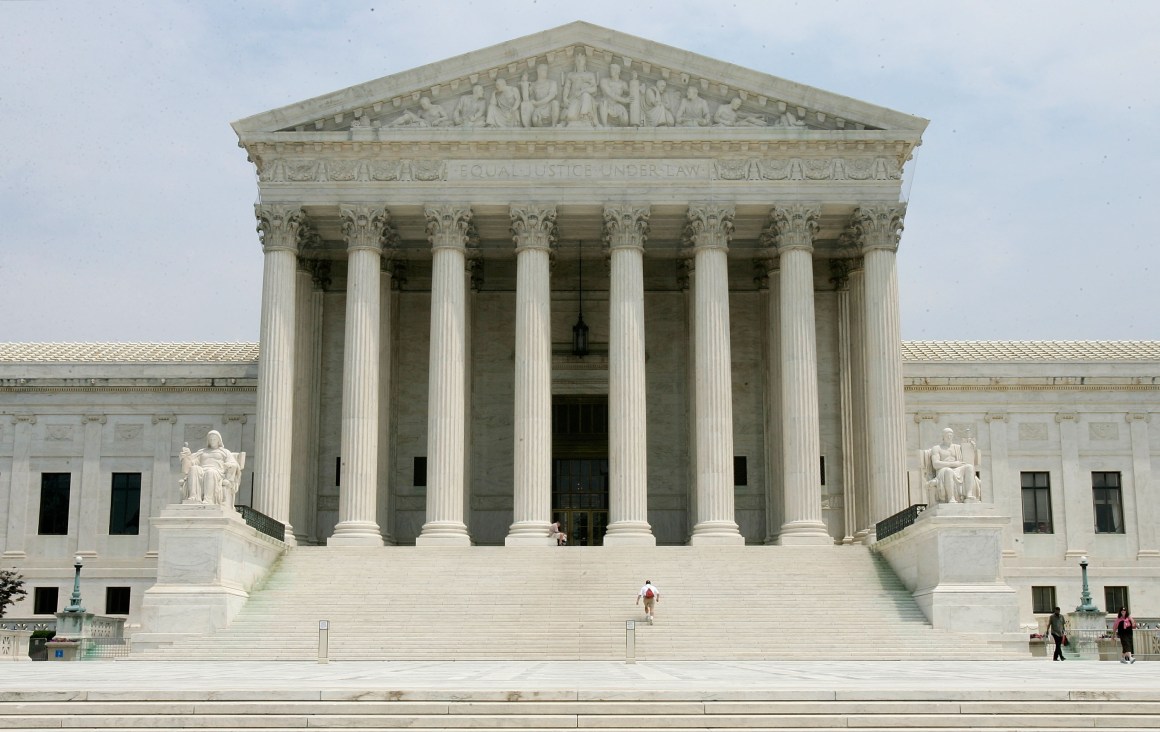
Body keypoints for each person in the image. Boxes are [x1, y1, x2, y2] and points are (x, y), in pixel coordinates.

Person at [179, 430, 240, 507]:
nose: (212, 441)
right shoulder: (202, 451)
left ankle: (208, 499)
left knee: (210, 472)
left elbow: (234, 464)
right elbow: (191, 463)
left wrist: (228, 465)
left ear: (219, 440)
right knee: (194, 469)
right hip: (202, 469)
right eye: (210, 439)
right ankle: (193, 497)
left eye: (214, 439)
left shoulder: (225, 452)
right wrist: (186, 456)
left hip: (217, 471)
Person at [930, 428, 981, 503]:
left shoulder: (957, 447)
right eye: (947, 435)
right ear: (943, 436)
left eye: (951, 435)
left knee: (969, 467)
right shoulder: (937, 448)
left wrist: (972, 447)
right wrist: (952, 464)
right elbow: (935, 464)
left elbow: (972, 459)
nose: (949, 437)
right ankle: (951, 498)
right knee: (948, 471)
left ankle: (968, 494)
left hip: (958, 468)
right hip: (943, 470)